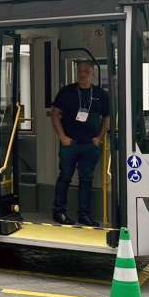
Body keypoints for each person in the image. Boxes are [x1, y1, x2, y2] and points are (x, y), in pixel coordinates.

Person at [50, 61, 110, 227]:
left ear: (93, 75)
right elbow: (55, 114)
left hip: (90, 145)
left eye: (86, 71)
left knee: (86, 179)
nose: (82, 74)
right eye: (79, 71)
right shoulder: (67, 92)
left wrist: (99, 138)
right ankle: (59, 212)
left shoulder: (100, 94)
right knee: (65, 177)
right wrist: (62, 137)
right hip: (70, 144)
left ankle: (84, 215)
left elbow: (107, 119)